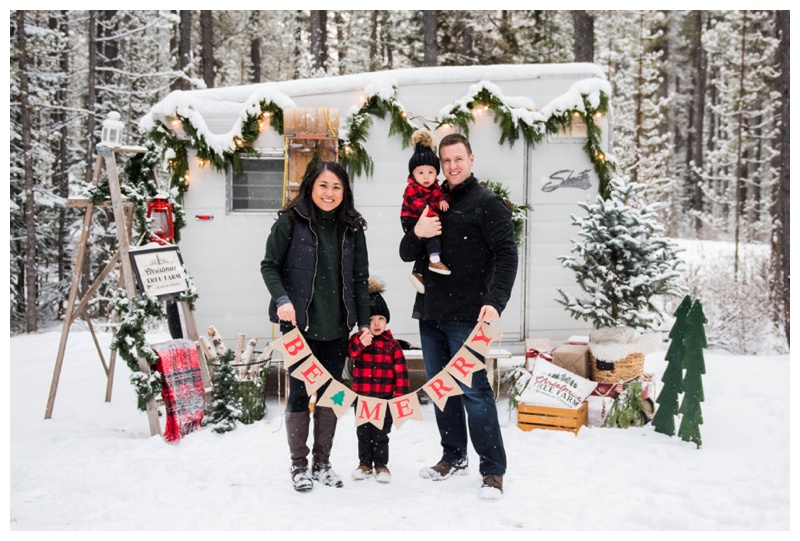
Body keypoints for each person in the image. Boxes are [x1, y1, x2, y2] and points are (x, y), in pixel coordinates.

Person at [399, 133, 518, 500]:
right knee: (441, 390)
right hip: (430, 313)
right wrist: (417, 232)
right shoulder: (428, 198)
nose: (451, 166)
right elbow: (407, 252)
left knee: (475, 392)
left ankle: (492, 470)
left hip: (467, 315)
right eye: (445, 160)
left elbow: (507, 255)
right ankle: (453, 456)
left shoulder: (486, 203)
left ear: (470, 159)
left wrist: (496, 301)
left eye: (457, 159)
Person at [261, 161, 371, 493]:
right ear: (311, 186)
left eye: (336, 187)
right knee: (298, 394)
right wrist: (282, 299)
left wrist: (364, 322)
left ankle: (322, 463)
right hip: (299, 328)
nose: (329, 193)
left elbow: (360, 279)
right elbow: (270, 266)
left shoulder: (352, 228)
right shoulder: (291, 223)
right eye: (323, 185)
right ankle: (299, 466)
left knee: (331, 394)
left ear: (344, 191)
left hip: (338, 327)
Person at [347, 277, 410, 484]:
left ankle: (381, 466)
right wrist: (361, 340)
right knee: (363, 433)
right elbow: (351, 351)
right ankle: (364, 464)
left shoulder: (393, 345)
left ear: (386, 320)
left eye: (381, 319)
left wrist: (399, 398)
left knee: (382, 434)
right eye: (371, 319)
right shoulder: (359, 340)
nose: (376, 323)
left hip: (385, 399)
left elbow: (401, 373)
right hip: (362, 399)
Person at [400, 128, 451, 294]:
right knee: (432, 233)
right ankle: (435, 261)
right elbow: (421, 208)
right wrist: (433, 217)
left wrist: (442, 199)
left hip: (425, 217)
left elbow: (438, 196)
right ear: (413, 174)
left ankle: (418, 273)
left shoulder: (435, 186)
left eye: (431, 172)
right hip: (412, 219)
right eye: (421, 173)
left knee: (426, 244)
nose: (426, 177)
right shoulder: (412, 189)